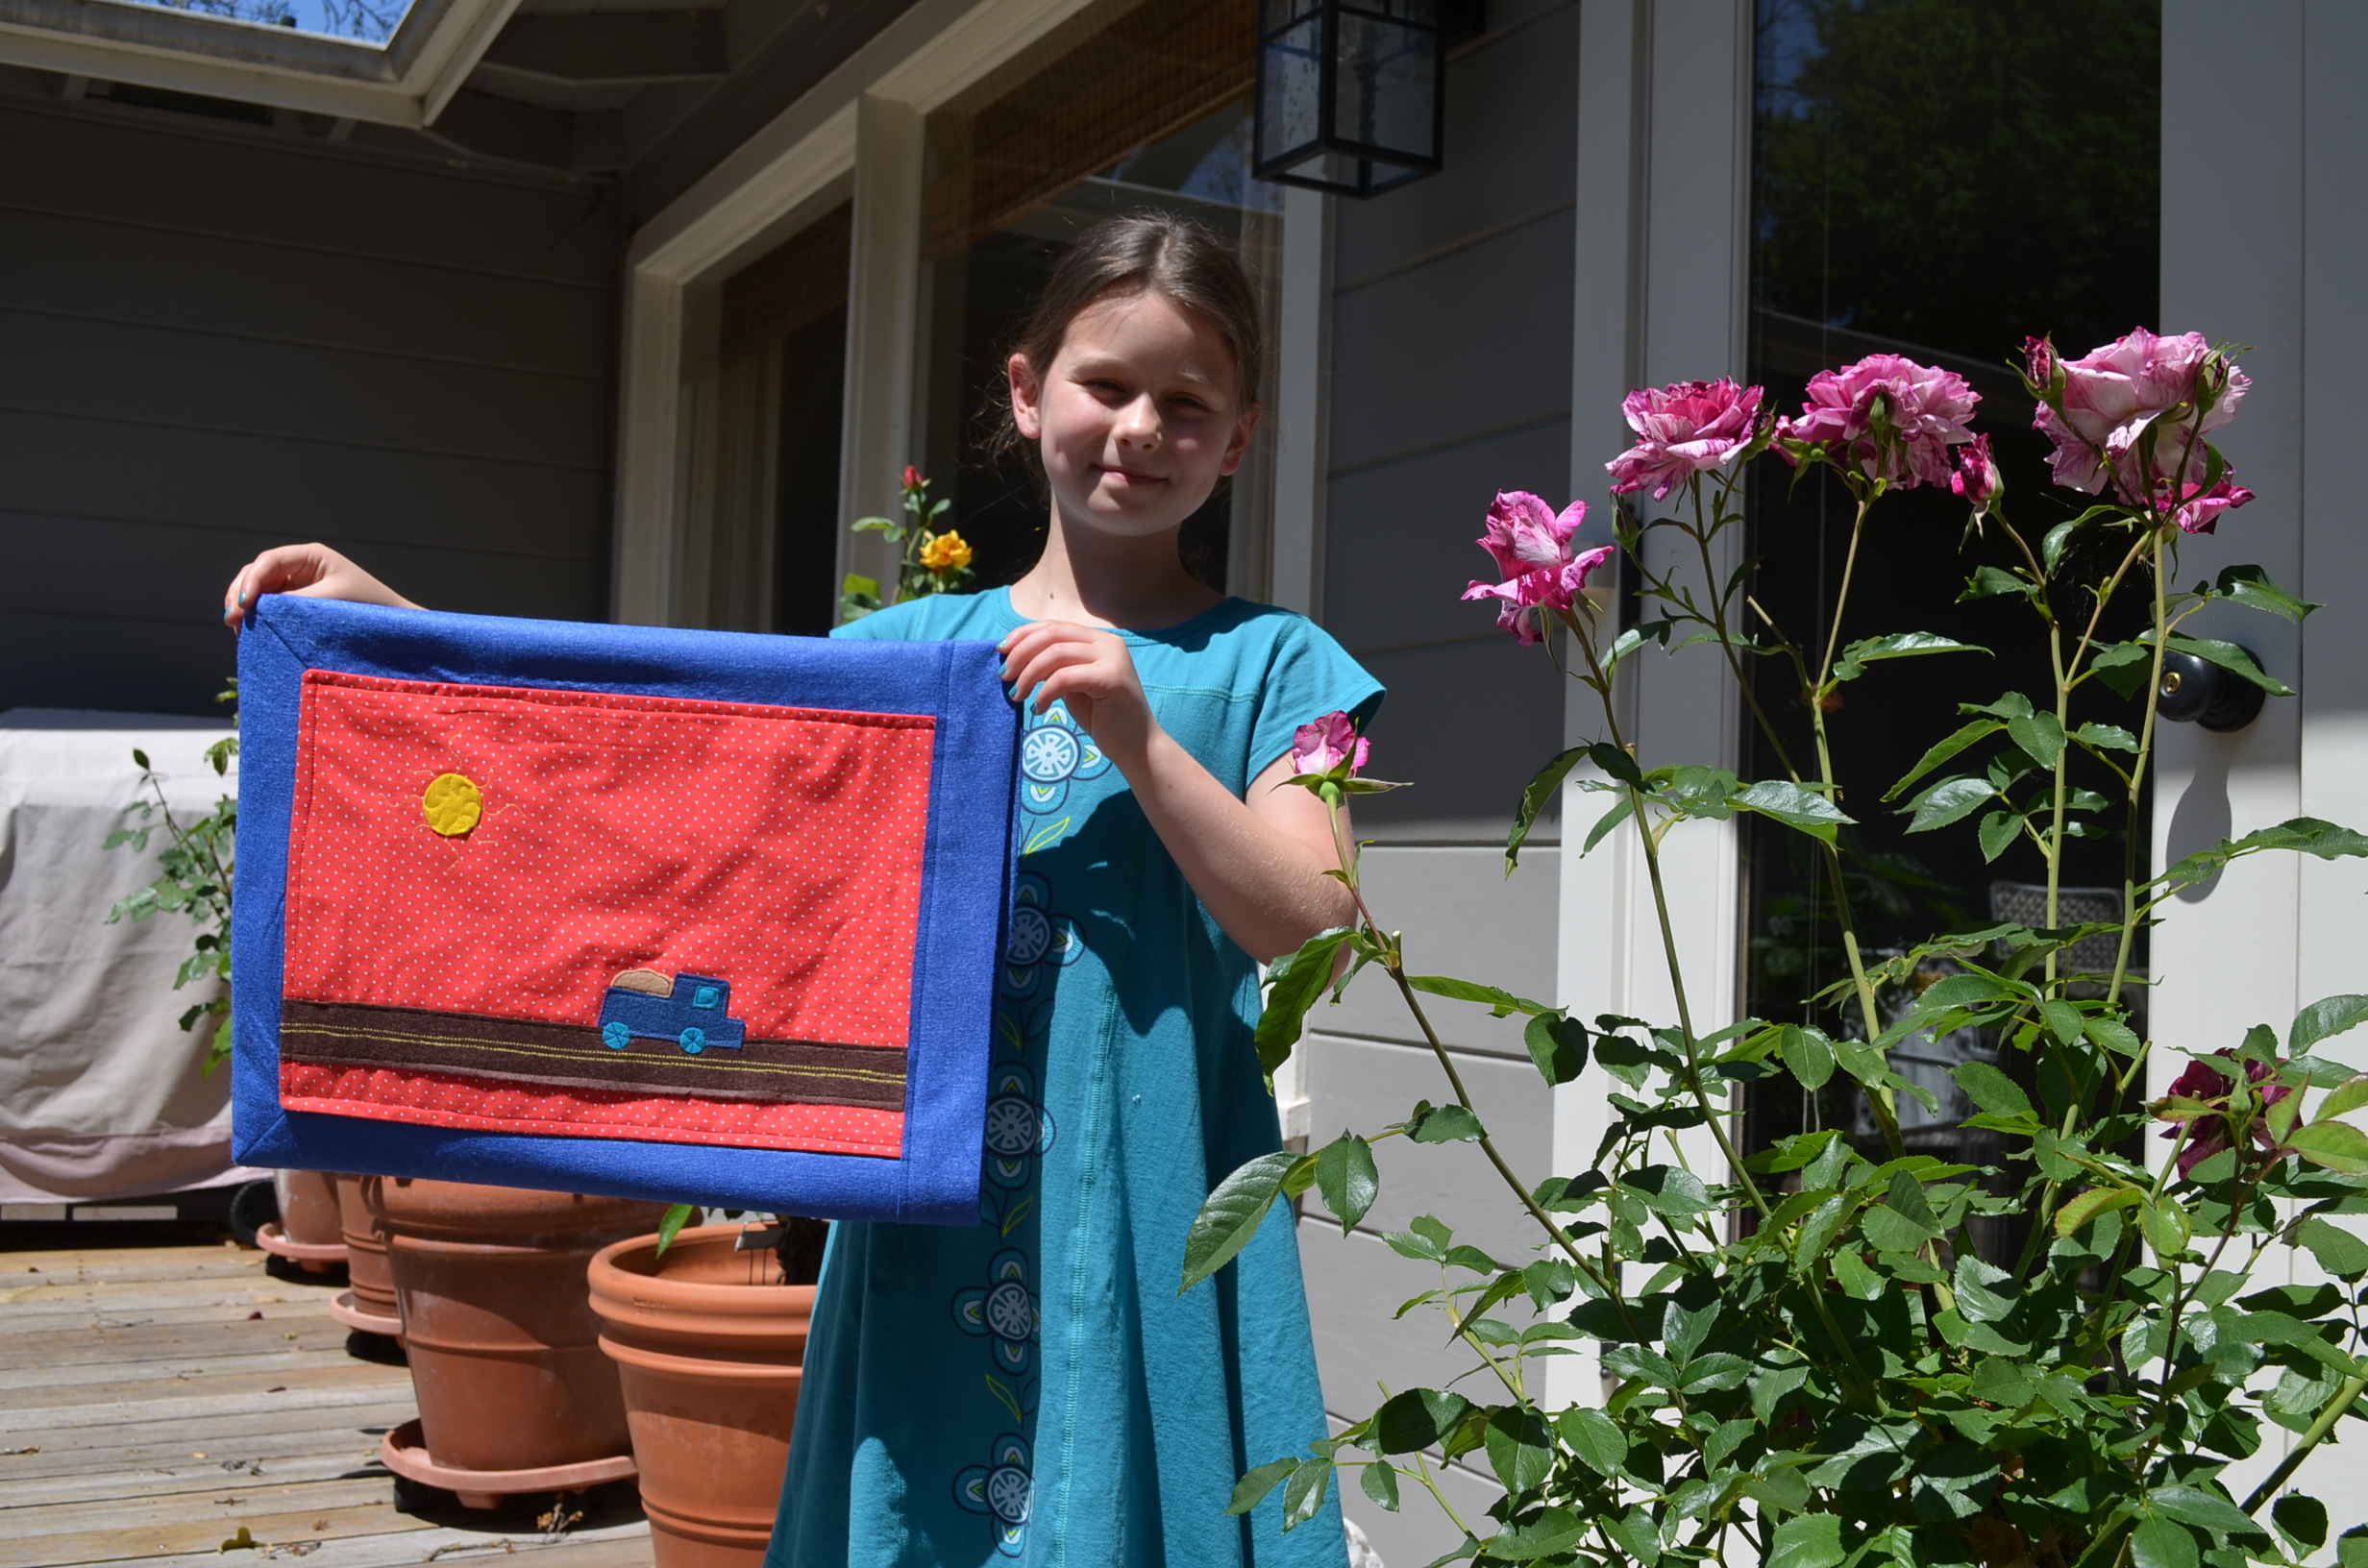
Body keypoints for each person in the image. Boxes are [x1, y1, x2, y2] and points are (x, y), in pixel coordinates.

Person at [221, 210, 1378, 1568]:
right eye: (1107, 384)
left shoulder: (1280, 666)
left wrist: (1140, 737)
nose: (1139, 428)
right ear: (1027, 392)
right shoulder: (909, 654)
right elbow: (655, 781)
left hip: (1161, 1180)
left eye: (1187, 404)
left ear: (1239, 439)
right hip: (927, 1201)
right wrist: (391, 635)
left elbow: (1313, 921)